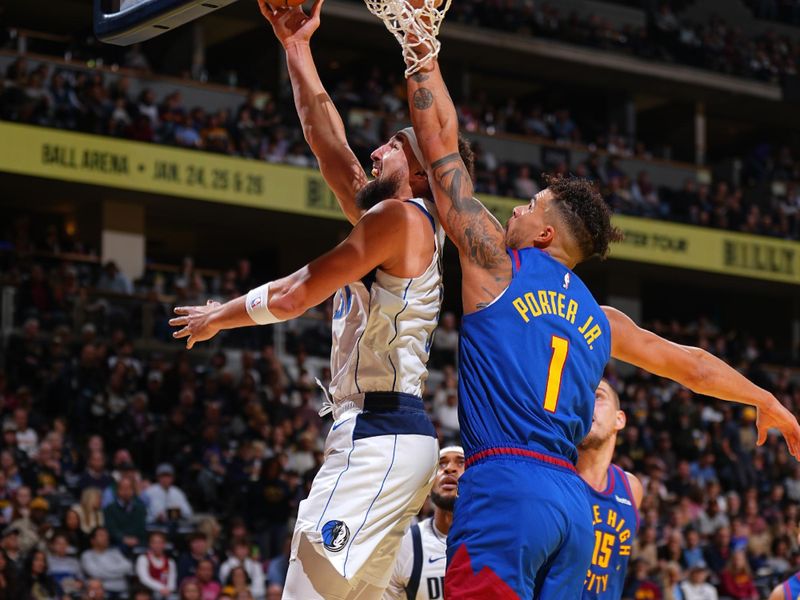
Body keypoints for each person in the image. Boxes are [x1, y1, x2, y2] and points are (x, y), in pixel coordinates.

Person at [396, 19, 800, 599]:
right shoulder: (603, 320)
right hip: (571, 506)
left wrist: (420, 49)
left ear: (543, 236)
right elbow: (689, 363)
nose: (515, 209)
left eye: (530, 205)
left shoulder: (496, 265)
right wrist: (764, 398)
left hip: (505, 482)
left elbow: (438, 149)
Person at [172, 3, 471, 600]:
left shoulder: (403, 218)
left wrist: (217, 316)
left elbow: (293, 294)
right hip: (386, 438)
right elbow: (325, 140)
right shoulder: (390, 221)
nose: (378, 148)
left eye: (394, 144)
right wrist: (297, 47)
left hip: (380, 437)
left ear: (417, 174)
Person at [577, 381, 643, 599]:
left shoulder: (631, 488)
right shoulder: (554, 476)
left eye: (598, 396)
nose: (587, 401)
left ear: (619, 419)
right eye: (580, 395)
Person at [383, 446, 465, 600]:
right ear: (427, 486)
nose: (449, 468)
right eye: (441, 464)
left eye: (461, 463)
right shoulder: (405, 546)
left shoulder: (497, 541)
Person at [81, 527, 133, 598]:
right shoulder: (87, 555)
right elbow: (96, 573)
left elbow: (128, 566)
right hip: (103, 591)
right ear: (92, 540)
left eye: (106, 536)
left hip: (122, 589)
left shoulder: (115, 552)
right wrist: (119, 573)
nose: (105, 538)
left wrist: (105, 569)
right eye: (101, 535)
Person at [135, 531, 176, 599]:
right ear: (150, 544)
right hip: (148, 592)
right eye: (154, 543)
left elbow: (172, 580)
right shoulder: (143, 559)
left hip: (165, 593)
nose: (157, 545)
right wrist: (161, 588)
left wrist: (168, 589)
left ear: (164, 544)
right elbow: (144, 579)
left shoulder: (170, 562)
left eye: (160, 543)